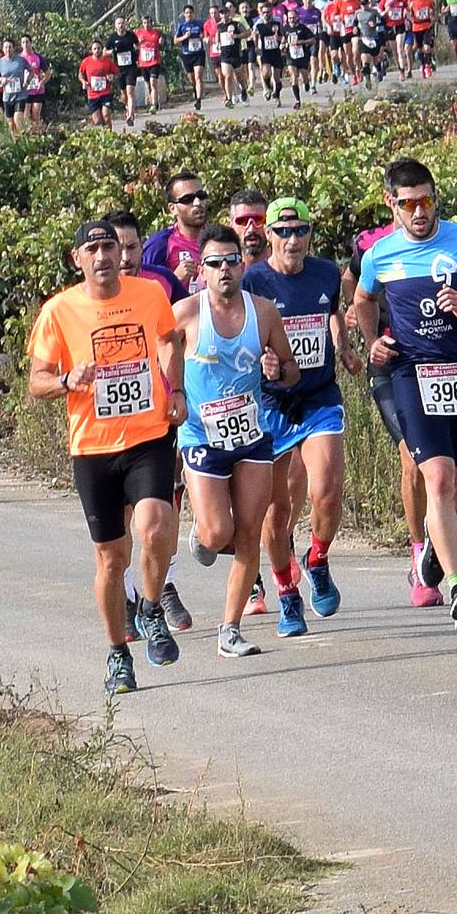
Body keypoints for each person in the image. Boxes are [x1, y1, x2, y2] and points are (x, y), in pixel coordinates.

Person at [350, 158, 457, 629]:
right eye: (408, 204)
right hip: (410, 372)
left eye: (426, 200)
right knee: (438, 478)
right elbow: (363, 300)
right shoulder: (379, 255)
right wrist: (372, 343)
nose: (419, 212)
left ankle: (430, 544)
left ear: (435, 198)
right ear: (392, 205)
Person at [30, 220, 190, 691]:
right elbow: (35, 381)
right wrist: (64, 381)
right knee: (111, 559)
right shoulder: (59, 311)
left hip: (148, 435)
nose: (103, 256)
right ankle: (118, 652)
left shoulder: (148, 294)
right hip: (93, 447)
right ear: (77, 258)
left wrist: (175, 388)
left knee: (156, 525)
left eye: (110, 247)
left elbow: (168, 338)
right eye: (93, 249)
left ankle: (152, 607)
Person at [172, 236, 296, 658]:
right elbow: (160, 366)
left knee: (249, 534)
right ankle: (202, 533)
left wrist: (277, 369)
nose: (224, 269)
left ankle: (230, 629)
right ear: (202, 270)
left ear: (242, 266)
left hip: (251, 434)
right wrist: (173, 397)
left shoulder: (263, 312)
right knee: (217, 532)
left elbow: (291, 371)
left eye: (231, 261)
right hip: (202, 436)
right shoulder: (185, 314)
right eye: (214, 263)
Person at [244, 194, 352, 624]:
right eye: (283, 232)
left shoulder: (325, 272)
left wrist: (342, 347)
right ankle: (286, 590)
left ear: (310, 234)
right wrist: (261, 361)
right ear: (268, 235)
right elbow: (235, 332)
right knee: (277, 509)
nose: (293, 239)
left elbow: (333, 312)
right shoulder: (253, 281)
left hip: (319, 395)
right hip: (270, 401)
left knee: (325, 491)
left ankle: (318, 560)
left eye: (301, 231)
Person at [141, 174, 217, 300]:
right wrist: (174, 278)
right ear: (172, 209)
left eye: (201, 196)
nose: (197, 203)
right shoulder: (160, 243)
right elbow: (143, 294)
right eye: (188, 199)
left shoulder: (219, 239)